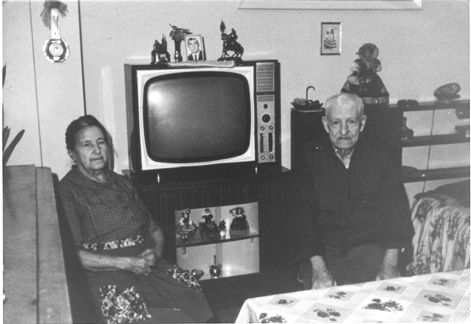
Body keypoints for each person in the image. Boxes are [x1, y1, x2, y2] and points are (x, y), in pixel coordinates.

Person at [59, 115, 214, 323]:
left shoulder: (123, 183)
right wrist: (126, 263)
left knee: (189, 292)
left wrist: (156, 253)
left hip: (147, 267)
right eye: (87, 145)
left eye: (101, 142)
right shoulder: (68, 191)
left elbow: (155, 231)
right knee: (151, 317)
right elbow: (74, 256)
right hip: (107, 275)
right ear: (73, 153)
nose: (96, 150)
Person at [293, 93, 413, 289]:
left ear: (362, 123)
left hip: (372, 248)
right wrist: (319, 269)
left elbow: (397, 215)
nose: (344, 131)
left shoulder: (381, 156)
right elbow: (302, 219)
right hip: (323, 251)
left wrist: (390, 264)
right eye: (335, 123)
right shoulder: (309, 157)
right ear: (325, 124)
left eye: (351, 122)